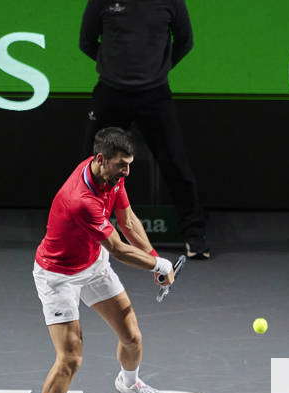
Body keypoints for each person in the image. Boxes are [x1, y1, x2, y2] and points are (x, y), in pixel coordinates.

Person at [23, 127, 176, 393]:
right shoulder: (82, 199)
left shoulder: (111, 177)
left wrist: (153, 255)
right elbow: (119, 249)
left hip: (92, 267)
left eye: (129, 166)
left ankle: (130, 383)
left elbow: (128, 220)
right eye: (121, 165)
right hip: (57, 276)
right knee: (70, 358)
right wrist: (158, 265)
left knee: (132, 337)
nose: (126, 172)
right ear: (100, 159)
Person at [79, 0, 211, 260]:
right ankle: (83, 233)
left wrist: (156, 71)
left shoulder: (171, 2)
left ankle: (194, 236)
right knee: (91, 166)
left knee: (175, 163)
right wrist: (113, 67)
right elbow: (86, 42)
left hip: (155, 96)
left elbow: (184, 41)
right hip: (111, 93)